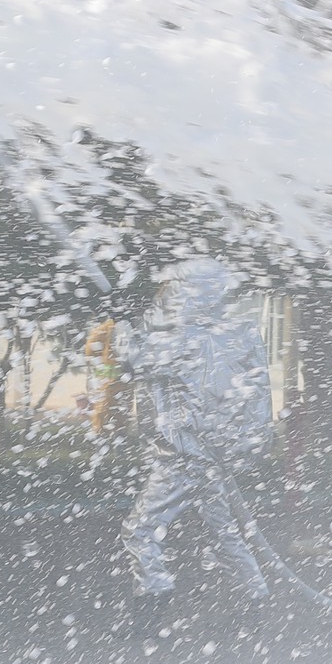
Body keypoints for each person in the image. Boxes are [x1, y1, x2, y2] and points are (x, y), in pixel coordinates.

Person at [120, 259, 275, 610]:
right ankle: (255, 596)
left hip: (182, 457)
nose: (165, 296)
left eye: (171, 289)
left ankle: (152, 601)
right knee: (224, 529)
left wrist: (125, 320)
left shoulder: (179, 340)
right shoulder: (235, 334)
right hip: (214, 457)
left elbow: (133, 361)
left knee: (140, 529)